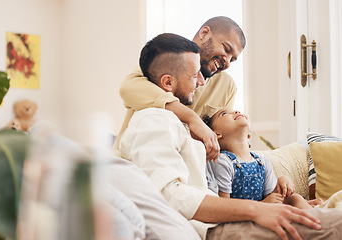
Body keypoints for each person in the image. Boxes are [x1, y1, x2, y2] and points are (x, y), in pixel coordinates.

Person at [119, 32, 342, 240]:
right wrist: (258, 210)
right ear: (167, 82)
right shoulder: (154, 120)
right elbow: (171, 196)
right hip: (212, 228)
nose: (202, 82)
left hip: (222, 221)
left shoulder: (182, 128)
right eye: (194, 75)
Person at [114, 16, 246, 161]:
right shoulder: (168, 56)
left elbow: (224, 134)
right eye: (226, 49)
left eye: (232, 59)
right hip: (134, 160)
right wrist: (193, 119)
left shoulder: (228, 86)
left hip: (187, 168)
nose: (227, 61)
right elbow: (128, 88)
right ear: (204, 33)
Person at [203, 108, 315, 209]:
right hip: (240, 218)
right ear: (215, 134)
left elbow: (272, 199)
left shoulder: (262, 161)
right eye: (224, 114)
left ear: (248, 135)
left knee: (295, 198)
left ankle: (318, 220)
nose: (236, 111)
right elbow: (224, 207)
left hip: (265, 211)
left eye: (235, 110)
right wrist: (262, 204)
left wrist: (281, 182)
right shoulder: (222, 161)